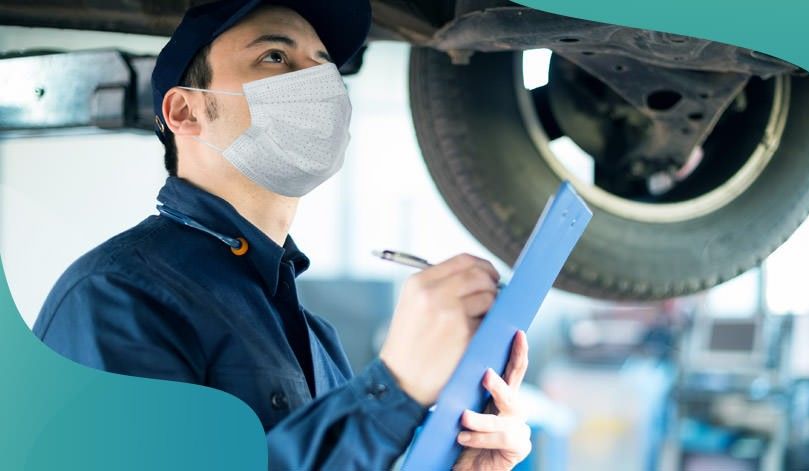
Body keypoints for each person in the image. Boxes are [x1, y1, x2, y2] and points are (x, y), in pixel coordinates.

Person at [31, 0, 531, 469]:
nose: (315, 80)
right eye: (275, 56)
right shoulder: (115, 298)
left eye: (324, 64)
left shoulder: (315, 338)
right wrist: (392, 392)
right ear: (185, 111)